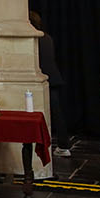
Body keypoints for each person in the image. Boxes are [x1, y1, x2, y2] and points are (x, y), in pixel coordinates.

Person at [29, 11, 71, 155]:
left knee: (43, 112)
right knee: (57, 113)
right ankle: (63, 145)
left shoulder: (34, 39)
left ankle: (44, 144)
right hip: (53, 78)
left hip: (42, 78)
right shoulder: (47, 37)